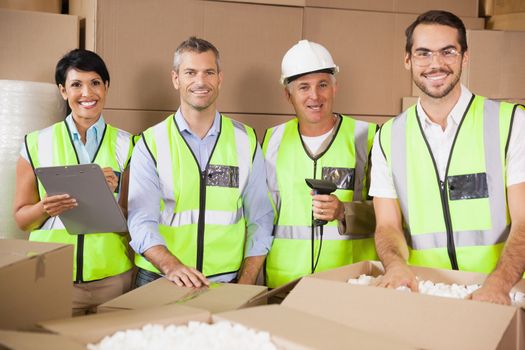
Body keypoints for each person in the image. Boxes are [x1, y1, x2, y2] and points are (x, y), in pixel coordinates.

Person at [372, 10, 525, 304]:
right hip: (426, 294)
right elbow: (388, 225)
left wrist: (498, 285)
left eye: (448, 52)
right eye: (423, 53)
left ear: (464, 57)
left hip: (503, 294)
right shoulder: (388, 137)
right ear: (408, 60)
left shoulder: (510, 123)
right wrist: (395, 265)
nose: (436, 64)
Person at [128, 37, 274, 288]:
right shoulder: (150, 143)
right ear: (176, 79)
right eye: (190, 72)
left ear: (220, 78)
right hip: (160, 277)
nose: (200, 81)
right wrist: (172, 266)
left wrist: (248, 279)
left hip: (227, 280)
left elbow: (261, 217)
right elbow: (141, 220)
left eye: (209, 72)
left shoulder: (246, 140)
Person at [13, 49, 135, 315]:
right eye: (76, 84)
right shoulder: (35, 144)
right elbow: (22, 219)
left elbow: (135, 221)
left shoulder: (130, 145)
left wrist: (109, 195)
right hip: (53, 278)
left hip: (113, 280)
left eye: (95, 83)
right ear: (63, 91)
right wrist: (47, 207)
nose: (87, 93)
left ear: (106, 87)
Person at [262, 40, 377, 288]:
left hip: (350, 282)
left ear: (335, 88)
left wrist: (343, 211)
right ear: (288, 94)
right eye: (304, 87)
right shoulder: (272, 141)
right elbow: (261, 215)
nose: (315, 96)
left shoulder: (367, 137)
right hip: (285, 282)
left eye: (322, 85)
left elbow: (393, 214)